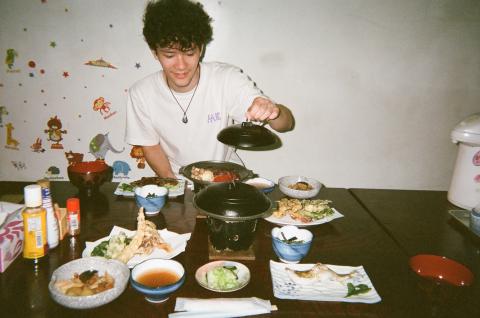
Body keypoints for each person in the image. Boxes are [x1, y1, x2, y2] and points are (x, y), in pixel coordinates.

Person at [125, 0, 294, 178]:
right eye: (169, 55)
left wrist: (274, 112)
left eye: (190, 53)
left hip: (227, 177)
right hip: (177, 179)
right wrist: (174, 187)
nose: (181, 65)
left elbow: (286, 124)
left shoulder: (227, 78)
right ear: (154, 52)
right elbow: (150, 145)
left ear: (201, 48)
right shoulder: (141, 93)